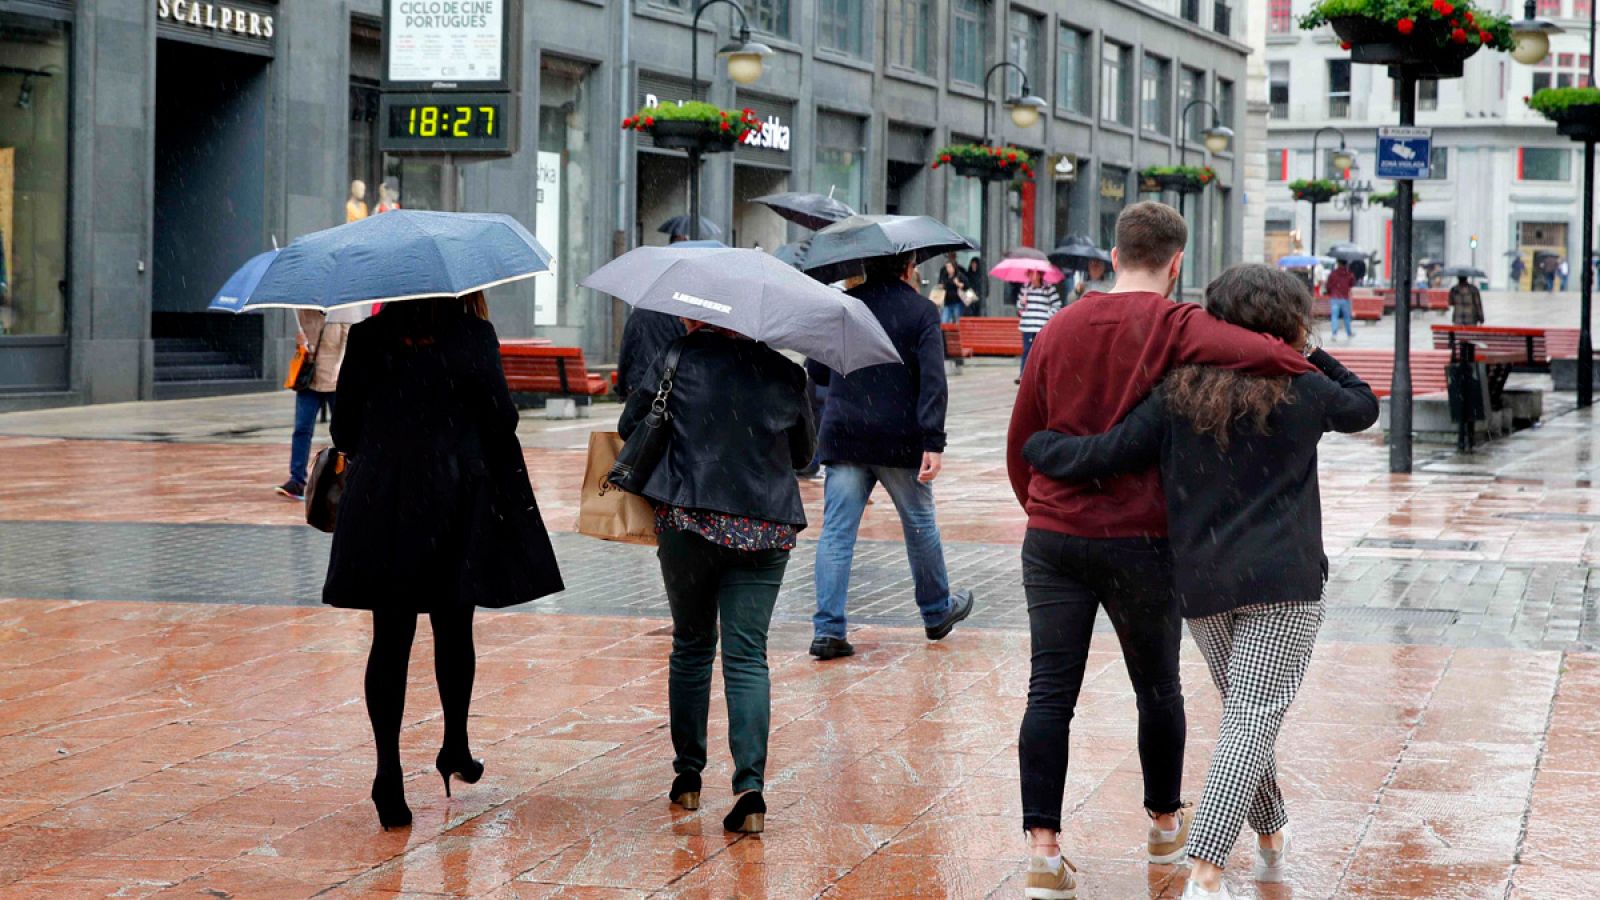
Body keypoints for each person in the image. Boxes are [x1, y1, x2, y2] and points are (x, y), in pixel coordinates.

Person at [1023, 264, 1379, 898]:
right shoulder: (1306, 387)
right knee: (1253, 714)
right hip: (1284, 581)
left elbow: (1108, 452)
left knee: (1248, 714)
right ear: (1287, 320)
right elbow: (1364, 406)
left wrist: (1044, 449)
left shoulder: (1178, 392)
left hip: (1203, 582)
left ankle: (1271, 831)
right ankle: (1206, 869)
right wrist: (1309, 347)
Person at [324, 292, 565, 830]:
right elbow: (502, 419)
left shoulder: (368, 337)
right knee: (455, 625)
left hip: (384, 499)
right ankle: (454, 743)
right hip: (455, 498)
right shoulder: (472, 336)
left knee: (390, 637)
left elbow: (344, 431)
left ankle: (388, 773)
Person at [617, 319, 815, 835]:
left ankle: (688, 778)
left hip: (689, 518)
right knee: (748, 656)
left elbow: (630, 425)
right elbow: (804, 456)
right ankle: (750, 789)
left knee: (692, 644)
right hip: (766, 526)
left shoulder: (678, 357)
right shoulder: (785, 372)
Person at [807, 252, 975, 661]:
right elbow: (933, 380)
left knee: (836, 532)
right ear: (909, 266)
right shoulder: (920, 311)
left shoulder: (847, 307)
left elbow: (818, 372)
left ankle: (828, 629)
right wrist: (933, 441)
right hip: (899, 438)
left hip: (846, 434)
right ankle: (936, 612)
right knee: (918, 524)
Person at [277, 306, 360, 501]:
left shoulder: (344, 310)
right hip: (309, 379)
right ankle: (297, 480)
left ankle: (351, 478)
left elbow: (349, 342)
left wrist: (341, 367)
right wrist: (301, 343)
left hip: (336, 382)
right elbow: (304, 345)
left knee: (344, 433)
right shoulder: (303, 311)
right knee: (302, 429)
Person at [1017, 270, 1062, 384]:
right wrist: (1022, 302)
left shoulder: (1048, 288)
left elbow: (1057, 305)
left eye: (1036, 274)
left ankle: (1040, 376)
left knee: (1041, 352)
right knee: (1027, 351)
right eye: (1031, 274)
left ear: (1041, 274)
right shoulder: (1026, 288)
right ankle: (1023, 376)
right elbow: (1019, 308)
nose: (1034, 277)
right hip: (1028, 326)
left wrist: (1047, 315)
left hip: (1041, 326)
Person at [1323, 259, 1355, 341]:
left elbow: (1328, 285)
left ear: (1338, 263)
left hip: (1335, 297)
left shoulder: (1333, 273)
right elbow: (1352, 284)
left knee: (1334, 316)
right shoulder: (1348, 274)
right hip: (1344, 298)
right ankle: (1349, 333)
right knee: (1346, 317)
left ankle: (1334, 334)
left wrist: (1330, 291)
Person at [938, 253, 970, 324]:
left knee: (957, 322)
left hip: (957, 302)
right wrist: (941, 286)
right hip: (947, 302)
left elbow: (966, 286)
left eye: (949, 267)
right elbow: (941, 284)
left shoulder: (959, 275)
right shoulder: (945, 276)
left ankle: (957, 335)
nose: (948, 269)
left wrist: (958, 284)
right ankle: (945, 335)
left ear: (953, 267)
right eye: (947, 267)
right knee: (943, 321)